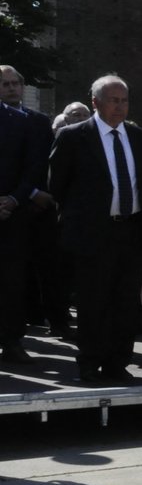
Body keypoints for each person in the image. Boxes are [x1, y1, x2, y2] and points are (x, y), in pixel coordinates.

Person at [46, 76, 142, 384]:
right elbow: (58, 186)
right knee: (94, 302)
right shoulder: (73, 136)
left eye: (124, 100)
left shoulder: (138, 137)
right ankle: (90, 363)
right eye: (113, 100)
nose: (120, 107)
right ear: (96, 102)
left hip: (131, 230)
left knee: (125, 304)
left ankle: (118, 363)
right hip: (93, 234)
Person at [0, 69, 49, 364]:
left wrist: (13, 199)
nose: (11, 88)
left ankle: (12, 340)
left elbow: (35, 166)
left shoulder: (32, 122)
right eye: (4, 84)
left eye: (16, 82)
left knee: (13, 280)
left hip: (15, 213)